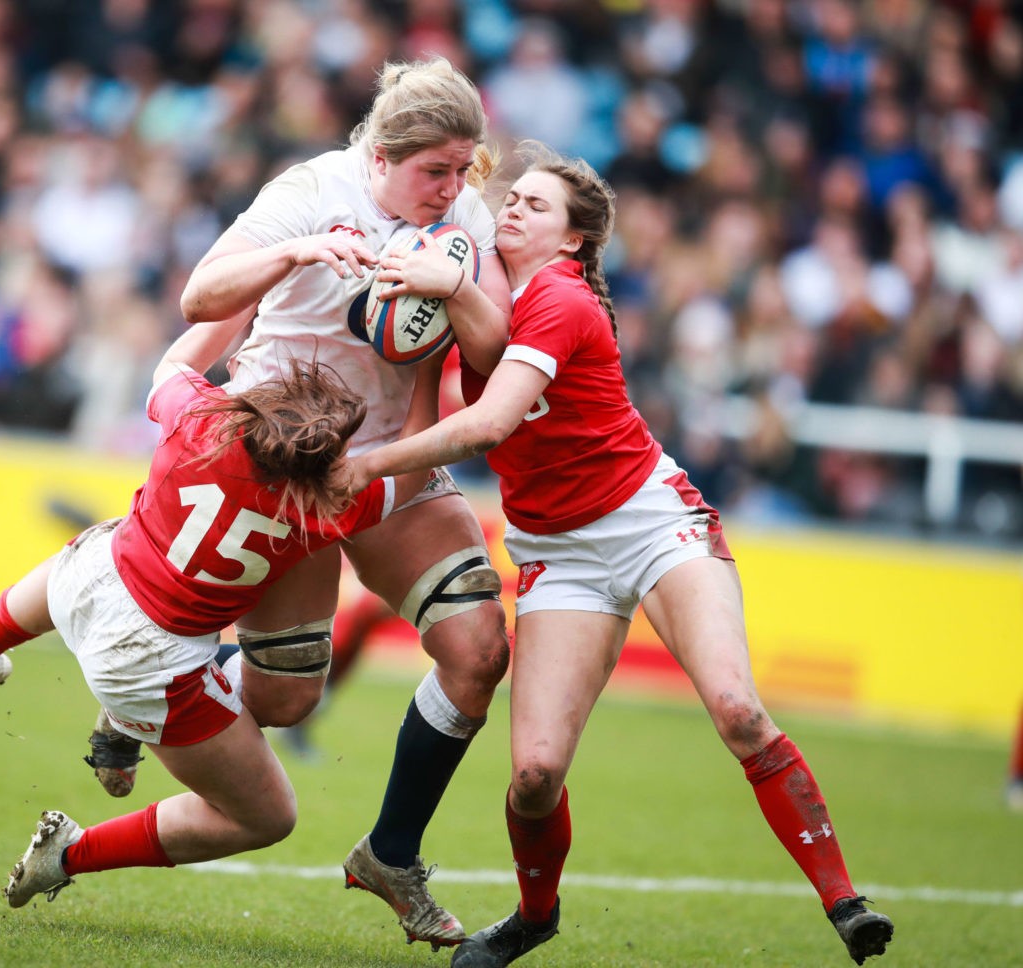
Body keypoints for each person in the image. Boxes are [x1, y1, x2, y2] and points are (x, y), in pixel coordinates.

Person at [343, 144, 896, 967]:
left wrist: (359, 464)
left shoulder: (561, 297)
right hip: (557, 554)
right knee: (532, 776)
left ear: (572, 241)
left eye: (536, 205)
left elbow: (491, 424)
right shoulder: (484, 292)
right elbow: (445, 406)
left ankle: (845, 903)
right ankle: (534, 920)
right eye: (513, 199)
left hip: (649, 521)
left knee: (739, 711)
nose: (514, 209)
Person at [172, 56, 514, 948]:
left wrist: (459, 285)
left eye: (461, 169)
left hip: (394, 465)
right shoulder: (310, 188)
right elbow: (197, 296)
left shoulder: (463, 216)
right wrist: (294, 251)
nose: (452, 189)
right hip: (290, 463)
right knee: (285, 703)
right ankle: (167, 685)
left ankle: (390, 855)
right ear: (380, 156)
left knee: (479, 652)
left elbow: (494, 352)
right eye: (433, 170)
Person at [0, 339, 430, 914]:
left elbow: (174, 359)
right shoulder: (322, 502)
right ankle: (69, 853)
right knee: (268, 816)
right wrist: (428, 366)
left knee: (86, 562)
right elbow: (411, 475)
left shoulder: (200, 418)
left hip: (95, 574)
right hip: (149, 661)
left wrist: (266, 271)